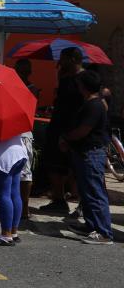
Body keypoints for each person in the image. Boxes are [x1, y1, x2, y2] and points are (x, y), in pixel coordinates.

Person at [61, 70, 114, 245]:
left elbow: (83, 130)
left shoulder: (94, 105)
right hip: (85, 153)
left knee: (95, 193)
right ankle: (92, 226)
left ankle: (104, 232)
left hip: (91, 153)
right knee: (87, 193)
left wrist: (67, 137)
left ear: (83, 86)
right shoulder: (91, 103)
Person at [40, 46, 84, 214]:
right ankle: (59, 199)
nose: (60, 62)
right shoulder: (66, 79)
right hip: (58, 128)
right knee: (55, 166)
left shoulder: (83, 79)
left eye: (63, 59)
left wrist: (69, 134)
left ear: (72, 59)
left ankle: (83, 203)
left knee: (77, 168)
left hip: (73, 131)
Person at [0, 132, 28, 246]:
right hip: (19, 154)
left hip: (3, 158)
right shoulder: (14, 115)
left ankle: (6, 235)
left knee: (4, 195)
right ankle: (13, 233)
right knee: (15, 194)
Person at [14, 59, 39, 220]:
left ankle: (24, 207)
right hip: (11, 133)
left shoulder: (32, 89)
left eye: (24, 70)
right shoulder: (11, 86)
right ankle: (18, 205)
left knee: (25, 172)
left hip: (23, 133)